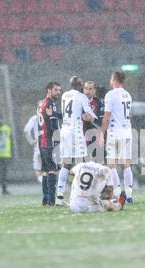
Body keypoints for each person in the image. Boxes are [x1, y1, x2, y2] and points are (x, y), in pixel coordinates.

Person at [56, 76, 96, 205]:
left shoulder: (65, 96)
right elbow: (89, 113)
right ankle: (84, 193)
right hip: (75, 131)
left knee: (66, 164)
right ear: (80, 86)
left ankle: (60, 196)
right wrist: (95, 119)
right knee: (83, 162)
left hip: (65, 130)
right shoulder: (81, 96)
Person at [100, 71, 134, 203]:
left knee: (111, 165)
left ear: (113, 79)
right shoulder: (128, 95)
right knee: (126, 165)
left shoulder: (110, 95)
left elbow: (107, 117)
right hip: (127, 132)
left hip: (115, 132)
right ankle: (129, 195)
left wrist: (102, 134)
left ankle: (119, 194)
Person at [37, 82, 62, 205]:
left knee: (46, 171)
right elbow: (52, 125)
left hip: (41, 142)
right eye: (56, 90)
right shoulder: (51, 104)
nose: (58, 92)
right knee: (53, 170)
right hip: (49, 141)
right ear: (49, 90)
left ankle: (45, 198)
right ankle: (52, 199)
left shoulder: (42, 104)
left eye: (59, 90)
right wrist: (58, 139)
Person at [83, 81, 105, 162]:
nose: (87, 91)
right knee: (80, 163)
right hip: (80, 136)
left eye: (90, 89)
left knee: (96, 163)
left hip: (94, 136)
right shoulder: (78, 102)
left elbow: (101, 122)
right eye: (85, 89)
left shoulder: (98, 103)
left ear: (94, 91)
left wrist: (92, 119)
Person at [24, 107, 42, 184]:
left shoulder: (34, 118)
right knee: (49, 169)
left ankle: (46, 187)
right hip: (49, 146)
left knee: (38, 169)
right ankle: (49, 187)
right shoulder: (50, 117)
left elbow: (26, 130)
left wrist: (32, 141)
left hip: (39, 146)